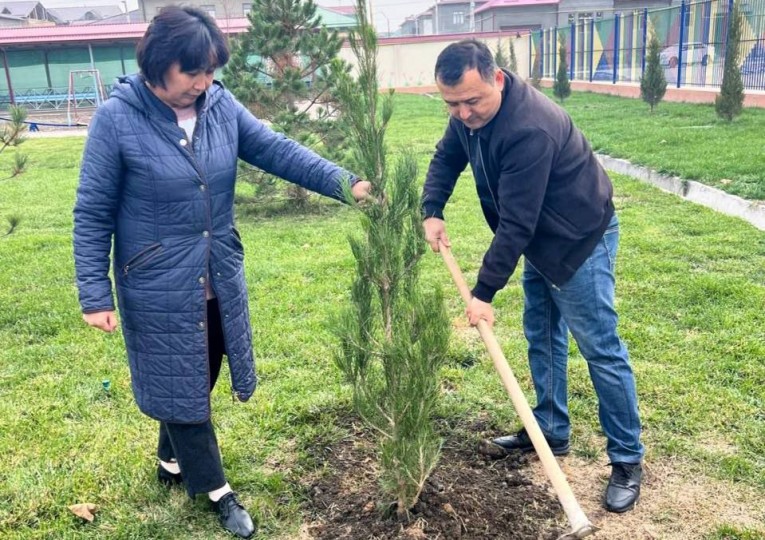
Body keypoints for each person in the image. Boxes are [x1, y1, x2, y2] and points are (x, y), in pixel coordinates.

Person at [73, 7, 370, 538]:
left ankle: (169, 461)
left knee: (196, 372)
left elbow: (277, 151)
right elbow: (92, 211)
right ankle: (215, 489)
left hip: (216, 273)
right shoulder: (115, 120)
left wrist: (344, 182)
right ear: (158, 65)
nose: (203, 82)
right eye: (193, 71)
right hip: (156, 281)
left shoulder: (220, 105)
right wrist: (95, 293)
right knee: (182, 380)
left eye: (210, 70)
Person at [421, 39, 644, 513]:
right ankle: (550, 428)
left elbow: (516, 224)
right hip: (537, 239)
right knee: (542, 335)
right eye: (452, 103)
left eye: (471, 101)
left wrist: (483, 294)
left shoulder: (530, 128)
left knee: (599, 347)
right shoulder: (469, 114)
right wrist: (432, 208)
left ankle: (627, 460)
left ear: (497, 78)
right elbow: (446, 157)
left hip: (578, 238)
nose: (462, 113)